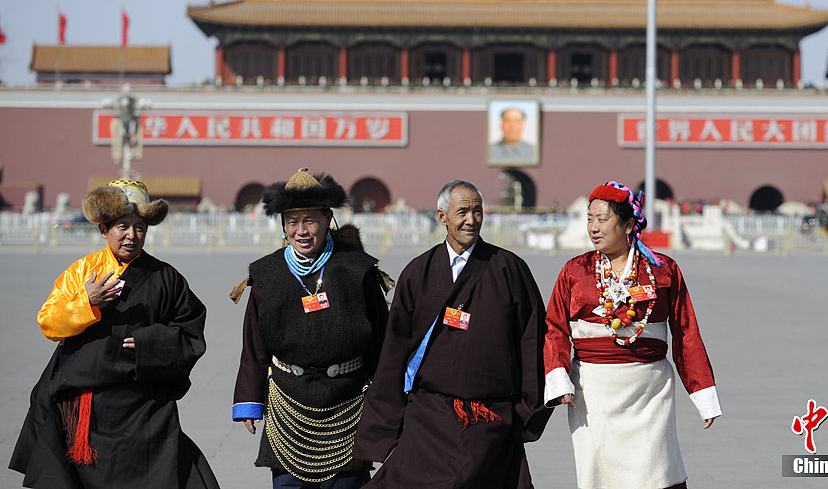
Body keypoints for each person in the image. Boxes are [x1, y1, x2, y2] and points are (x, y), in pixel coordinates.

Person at [9, 179, 219, 489]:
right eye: (123, 226)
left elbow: (191, 331)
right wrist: (87, 302)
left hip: (143, 404)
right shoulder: (82, 272)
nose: (132, 235)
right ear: (103, 230)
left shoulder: (166, 278)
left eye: (140, 228)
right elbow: (48, 323)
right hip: (86, 405)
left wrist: (151, 343)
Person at [354, 179, 551, 488]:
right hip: (429, 418)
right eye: (462, 212)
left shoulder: (509, 269)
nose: (471, 220)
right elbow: (395, 350)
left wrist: (527, 412)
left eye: (477, 211)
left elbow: (532, 340)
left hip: (490, 419)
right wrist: (383, 424)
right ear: (442, 216)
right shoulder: (418, 272)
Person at [544, 181, 721, 489]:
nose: (594, 227)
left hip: (650, 392)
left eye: (602, 219)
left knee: (655, 471)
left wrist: (703, 394)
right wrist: (559, 380)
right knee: (600, 475)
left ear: (628, 225)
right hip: (593, 393)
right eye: (590, 219)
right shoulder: (575, 271)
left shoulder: (663, 270)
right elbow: (554, 328)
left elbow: (685, 333)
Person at [231, 169, 390, 489]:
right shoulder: (266, 274)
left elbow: (382, 342)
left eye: (310, 221)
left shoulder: (357, 269)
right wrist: (249, 400)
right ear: (283, 225)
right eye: (292, 222)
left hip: (347, 402)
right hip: (288, 405)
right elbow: (254, 345)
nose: (301, 231)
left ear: (327, 219)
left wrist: (387, 401)